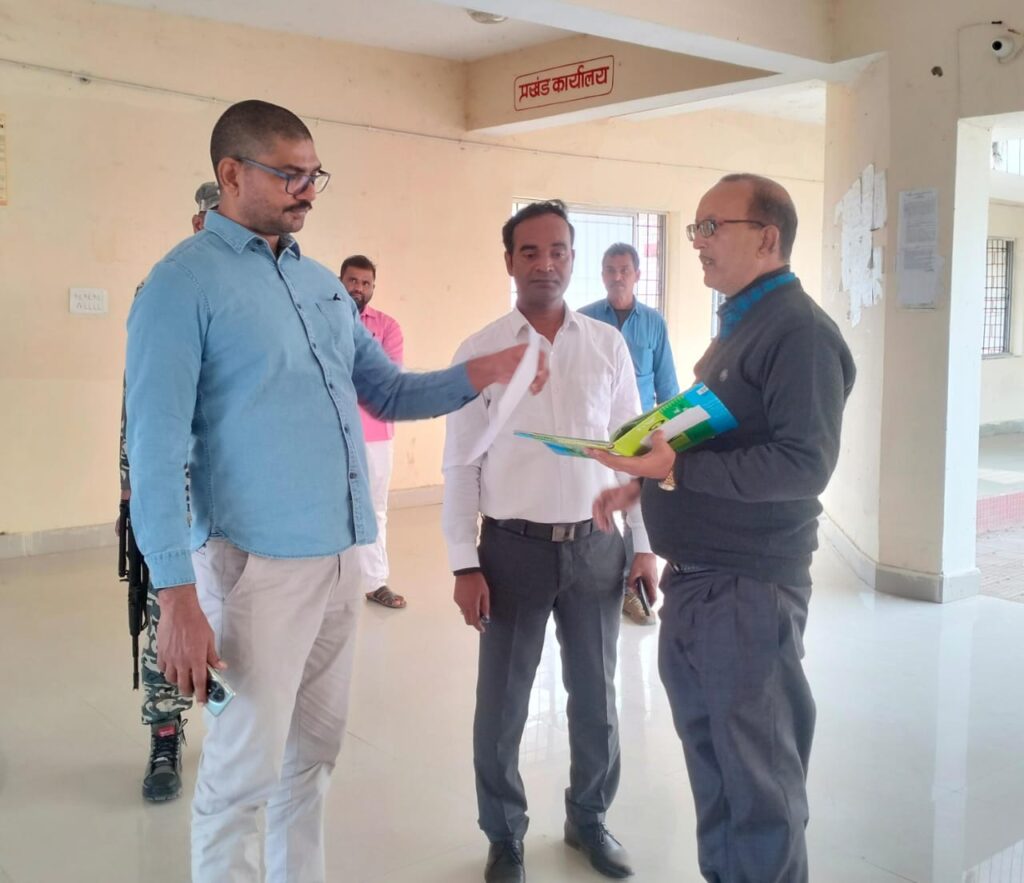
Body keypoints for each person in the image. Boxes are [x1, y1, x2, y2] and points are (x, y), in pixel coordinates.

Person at [125, 99, 545, 883]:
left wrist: (479, 374)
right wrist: (175, 595)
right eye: (289, 174)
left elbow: (386, 391)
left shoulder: (321, 287)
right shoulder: (181, 286)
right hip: (254, 567)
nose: (307, 191)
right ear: (230, 174)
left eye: (314, 174)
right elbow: (153, 448)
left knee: (312, 755)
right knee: (241, 774)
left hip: (342, 558)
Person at [590, 173, 856, 883]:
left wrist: (677, 471)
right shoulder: (742, 326)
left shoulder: (799, 332)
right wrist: (643, 478)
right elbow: (713, 435)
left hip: (748, 587)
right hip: (700, 584)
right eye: (696, 228)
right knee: (715, 773)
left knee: (758, 785)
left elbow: (805, 462)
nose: (699, 242)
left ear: (767, 238)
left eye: (713, 227)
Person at [443, 200, 657, 883]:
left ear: (573, 258)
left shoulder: (607, 345)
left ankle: (588, 818)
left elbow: (635, 453)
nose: (546, 263)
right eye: (530, 251)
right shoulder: (479, 351)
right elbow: (461, 464)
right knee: (503, 705)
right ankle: (504, 834)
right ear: (509, 261)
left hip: (597, 549)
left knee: (596, 697)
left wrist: (644, 545)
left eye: (558, 250)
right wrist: (464, 563)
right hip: (513, 552)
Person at [117, 180, 219, 803]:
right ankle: (164, 732)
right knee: (166, 614)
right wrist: (131, 487)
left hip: (238, 497)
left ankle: (241, 729)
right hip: (174, 492)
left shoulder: (263, 292)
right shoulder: (162, 288)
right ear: (197, 221)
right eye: (212, 216)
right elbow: (137, 404)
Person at [580, 243, 678, 626]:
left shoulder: (654, 323)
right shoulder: (584, 319)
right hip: (596, 431)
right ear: (602, 274)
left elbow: (666, 385)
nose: (617, 276)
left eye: (624, 269)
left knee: (639, 505)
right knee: (603, 507)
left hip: (639, 434)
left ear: (637, 274)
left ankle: (632, 588)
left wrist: (669, 437)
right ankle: (606, 584)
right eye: (610, 269)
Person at [340, 254, 407, 609]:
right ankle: (333, 584)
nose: (358, 288)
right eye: (352, 280)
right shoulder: (322, 321)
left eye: (366, 283)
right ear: (341, 281)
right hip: (332, 432)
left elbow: (388, 380)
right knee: (332, 508)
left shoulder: (388, 327)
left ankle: (374, 581)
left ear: (373, 288)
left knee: (375, 508)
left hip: (375, 433)